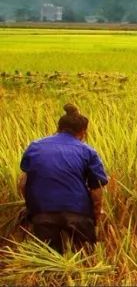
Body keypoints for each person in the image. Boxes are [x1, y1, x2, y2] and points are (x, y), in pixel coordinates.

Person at [17, 104, 109, 252]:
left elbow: (23, 182)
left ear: (58, 128)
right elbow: (96, 188)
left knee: (47, 259)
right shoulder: (87, 151)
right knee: (85, 257)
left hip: (42, 212)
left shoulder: (35, 147)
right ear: (83, 132)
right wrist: (96, 215)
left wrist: (31, 207)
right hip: (77, 212)